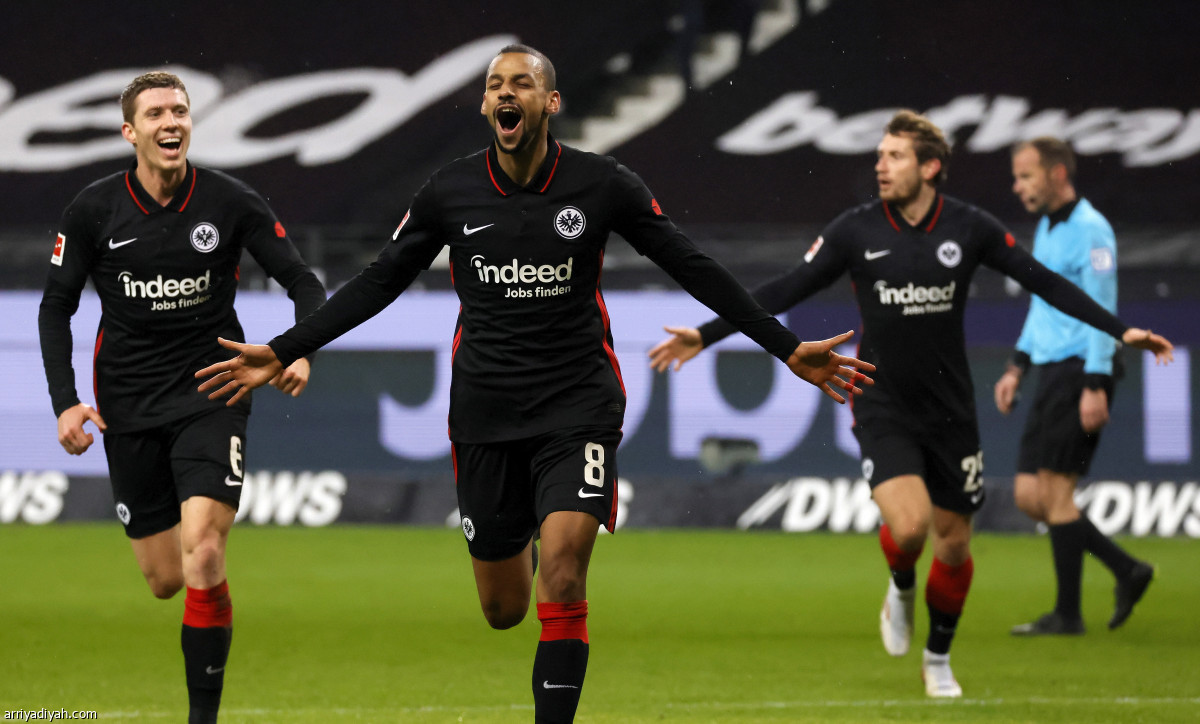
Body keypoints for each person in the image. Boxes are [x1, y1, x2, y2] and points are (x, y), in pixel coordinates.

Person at [194, 44, 875, 723]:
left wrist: (785, 347)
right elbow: (378, 282)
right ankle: (513, 530)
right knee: (503, 609)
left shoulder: (603, 184)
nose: (505, 93)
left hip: (578, 405)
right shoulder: (450, 190)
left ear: (551, 102)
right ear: (486, 105)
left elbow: (692, 265)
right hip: (485, 413)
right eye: (495, 84)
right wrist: (284, 348)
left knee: (565, 571)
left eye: (521, 83)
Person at [648, 111, 1174, 698]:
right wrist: (706, 333)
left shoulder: (970, 227)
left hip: (951, 410)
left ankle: (938, 659)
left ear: (930, 167)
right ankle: (901, 587)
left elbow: (1045, 283)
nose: (881, 165)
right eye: (879, 155)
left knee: (955, 543)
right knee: (911, 527)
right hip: (883, 402)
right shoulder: (855, 230)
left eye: (894, 156)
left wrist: (1120, 330)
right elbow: (784, 288)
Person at [38, 71, 326, 724]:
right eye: (156, 113)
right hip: (129, 404)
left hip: (213, 391)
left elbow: (303, 283)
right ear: (129, 131)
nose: (171, 121)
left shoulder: (230, 201)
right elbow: (56, 307)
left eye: (180, 111)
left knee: (205, 548)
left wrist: (297, 349)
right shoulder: (92, 210)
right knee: (166, 580)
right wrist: (65, 401)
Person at [998, 137, 1155, 636]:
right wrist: (1016, 366)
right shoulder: (1047, 228)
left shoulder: (1092, 230)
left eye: (1026, 176)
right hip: (1051, 370)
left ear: (1058, 174)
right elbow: (1042, 307)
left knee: (1056, 493)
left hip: (1081, 370)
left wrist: (1095, 382)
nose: (1017, 186)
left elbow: (1103, 311)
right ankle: (1127, 569)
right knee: (1030, 495)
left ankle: (1067, 614)